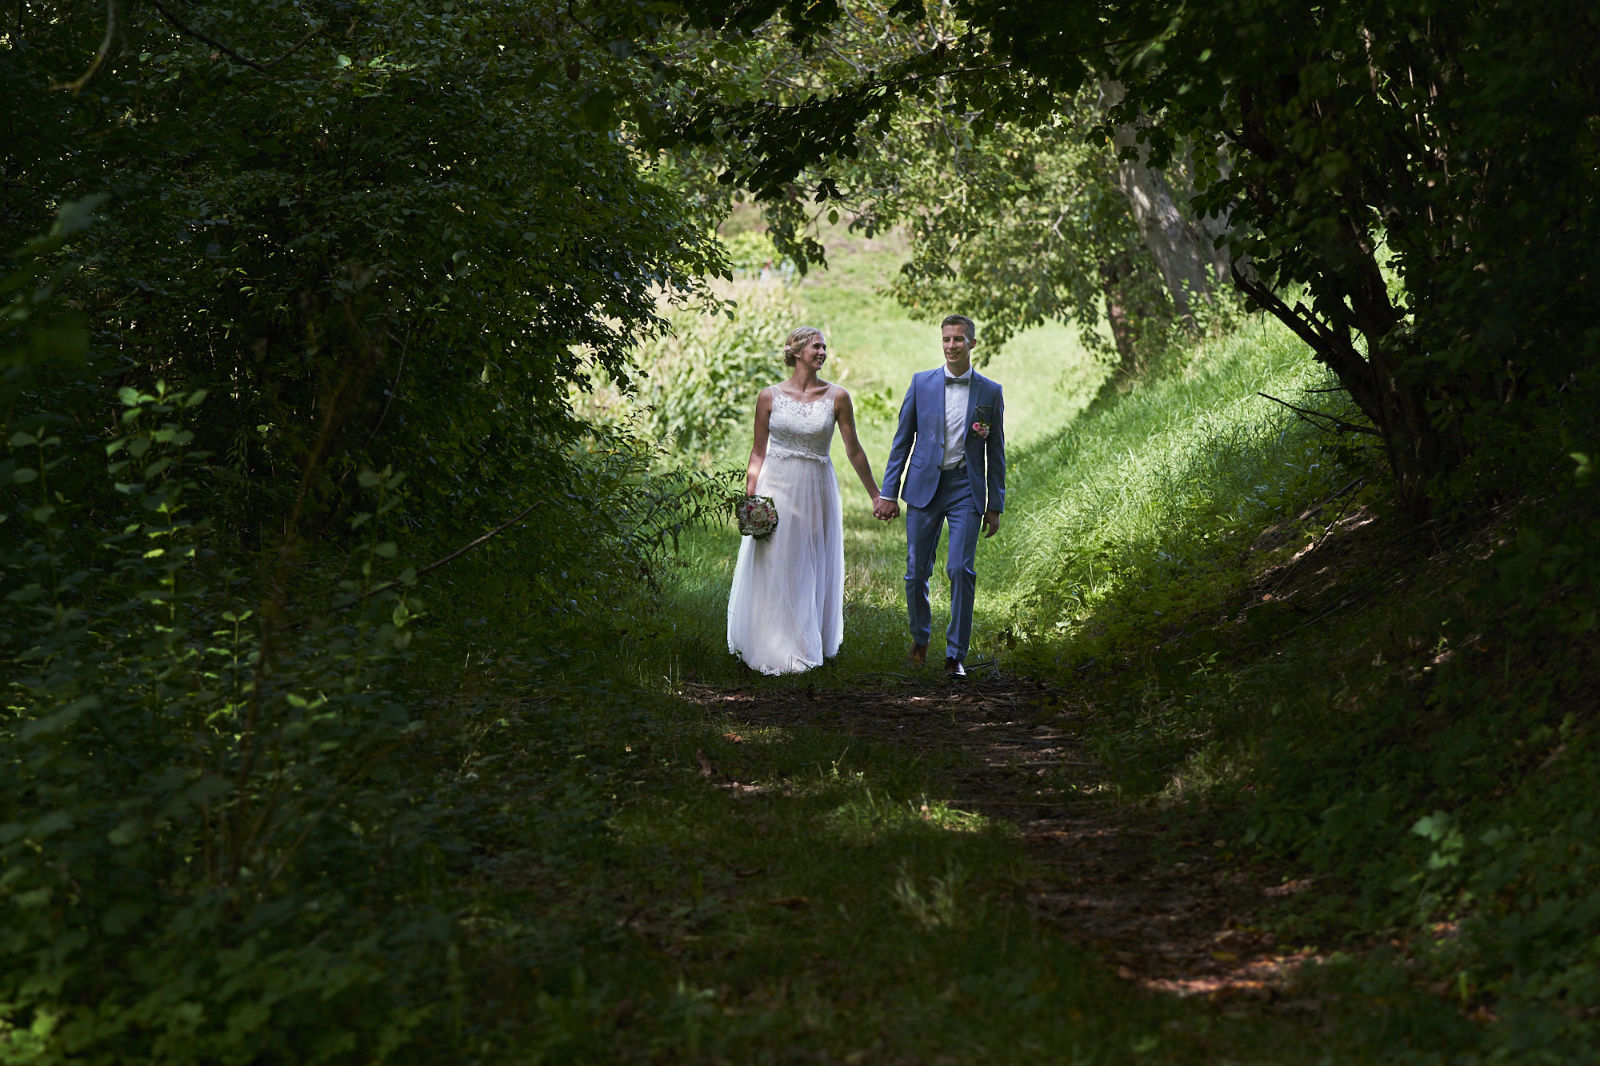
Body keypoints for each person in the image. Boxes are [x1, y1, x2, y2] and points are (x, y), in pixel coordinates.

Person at [727, 327, 886, 675]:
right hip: (776, 486)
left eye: (825, 347)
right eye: (816, 346)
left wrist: (876, 494)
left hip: (816, 488)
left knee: (808, 561)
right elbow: (758, 451)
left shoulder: (837, 396)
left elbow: (854, 450)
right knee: (774, 559)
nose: (823, 352)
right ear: (797, 351)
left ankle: (804, 640)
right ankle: (769, 641)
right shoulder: (768, 396)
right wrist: (751, 497)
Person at [875, 314, 1006, 679]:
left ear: (972, 344)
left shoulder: (990, 392)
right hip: (924, 486)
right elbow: (902, 441)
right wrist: (889, 491)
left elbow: (996, 451)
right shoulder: (921, 384)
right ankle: (920, 640)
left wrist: (995, 504)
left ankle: (955, 655)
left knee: (960, 569)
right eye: (946, 339)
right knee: (916, 571)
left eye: (958, 339)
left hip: (966, 487)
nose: (951, 345)